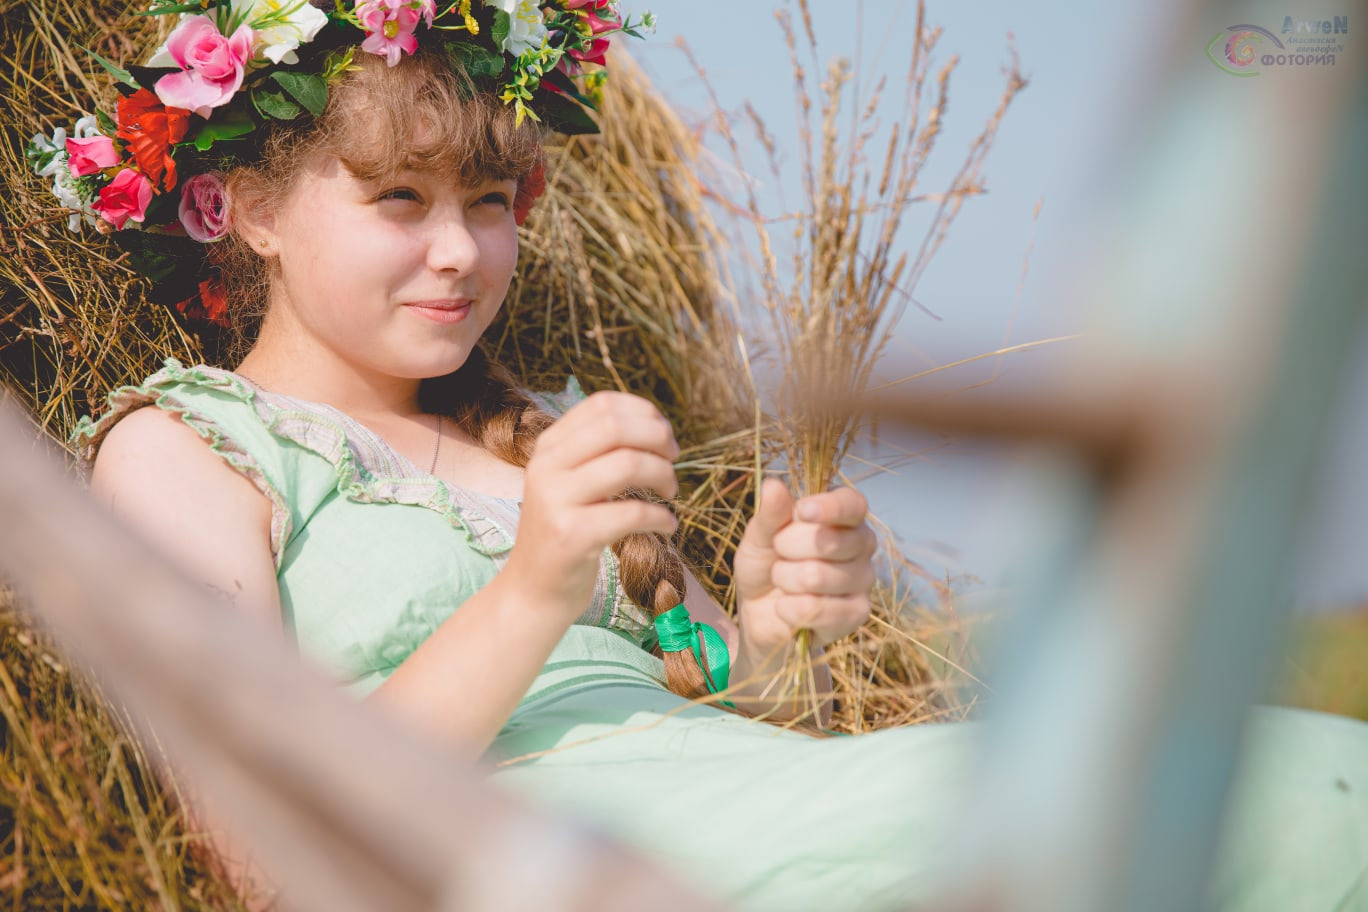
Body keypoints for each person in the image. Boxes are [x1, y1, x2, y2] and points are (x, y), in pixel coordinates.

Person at [42, 3, 1366, 910]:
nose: (461, 252)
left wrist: (783, 632)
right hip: (564, 860)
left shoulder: (538, 432)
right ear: (252, 208)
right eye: (400, 199)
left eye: (490, 204)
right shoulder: (182, 453)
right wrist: (532, 592)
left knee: (1303, 775)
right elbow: (253, 847)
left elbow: (722, 706)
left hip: (770, 800)